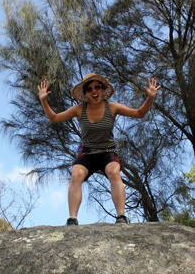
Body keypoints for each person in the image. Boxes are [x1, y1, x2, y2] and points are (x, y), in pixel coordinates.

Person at [38, 73, 160, 225]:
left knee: (113, 172)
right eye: (89, 89)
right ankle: (72, 219)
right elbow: (54, 118)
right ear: (85, 93)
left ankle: (121, 216)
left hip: (108, 152)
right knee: (76, 175)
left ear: (103, 89)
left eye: (97, 87)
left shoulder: (113, 107)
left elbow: (139, 113)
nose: (94, 91)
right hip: (86, 153)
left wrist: (150, 97)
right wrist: (43, 100)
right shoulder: (78, 109)